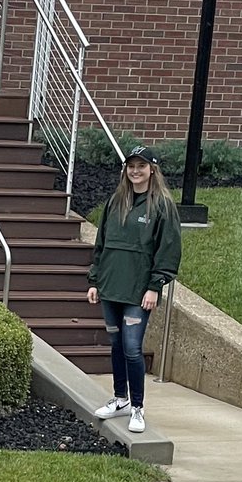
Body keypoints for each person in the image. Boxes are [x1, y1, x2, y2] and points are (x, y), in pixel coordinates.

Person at [87, 145, 182, 433]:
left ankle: (138, 408)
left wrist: (155, 286)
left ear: (152, 169)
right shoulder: (115, 202)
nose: (135, 171)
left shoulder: (162, 206)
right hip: (111, 287)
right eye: (131, 166)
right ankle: (120, 398)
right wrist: (94, 280)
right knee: (116, 345)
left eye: (141, 166)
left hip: (138, 292)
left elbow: (168, 251)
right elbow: (101, 245)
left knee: (131, 348)